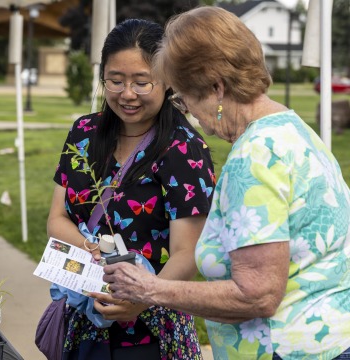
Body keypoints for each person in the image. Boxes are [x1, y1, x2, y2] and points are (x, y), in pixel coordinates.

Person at [95, 6, 350, 360]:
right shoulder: (292, 128)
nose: (189, 113)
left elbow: (257, 294)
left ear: (216, 88)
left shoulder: (255, 157)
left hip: (286, 350)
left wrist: (150, 290)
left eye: (184, 98)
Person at [47, 18, 215, 359]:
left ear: (167, 80)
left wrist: (141, 299)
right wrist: (93, 249)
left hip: (152, 329)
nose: (127, 94)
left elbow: (188, 252)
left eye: (142, 82)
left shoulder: (184, 149)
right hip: (83, 317)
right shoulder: (83, 134)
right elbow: (57, 218)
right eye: (116, 80)